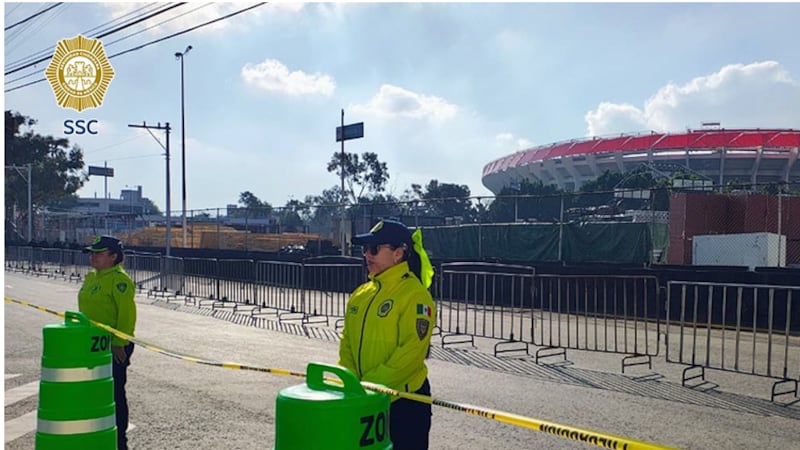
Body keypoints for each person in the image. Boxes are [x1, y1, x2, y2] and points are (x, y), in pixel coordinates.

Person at [338, 219, 436, 450]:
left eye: (374, 249)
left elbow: (411, 352)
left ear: (398, 253)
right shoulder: (361, 294)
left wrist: (370, 386)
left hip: (403, 404)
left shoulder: (415, 295)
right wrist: (352, 382)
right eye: (364, 249)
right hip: (364, 399)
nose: (367, 255)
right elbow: (347, 342)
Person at [78, 235, 137, 450]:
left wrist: (119, 342)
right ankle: (96, 434)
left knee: (114, 393)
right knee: (93, 392)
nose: (93, 257)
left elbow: (127, 315)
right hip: (91, 343)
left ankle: (119, 441)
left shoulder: (119, 280)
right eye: (92, 253)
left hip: (113, 346)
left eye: (99, 253)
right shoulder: (93, 277)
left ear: (113, 257)